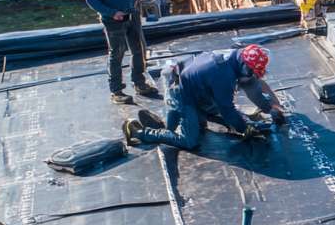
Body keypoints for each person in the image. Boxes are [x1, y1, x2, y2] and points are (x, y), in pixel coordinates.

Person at [123, 44, 287, 151]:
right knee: (189, 140)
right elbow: (227, 109)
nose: (251, 76)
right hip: (181, 93)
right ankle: (139, 131)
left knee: (199, 124)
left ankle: (170, 124)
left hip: (189, 85)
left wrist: (271, 106)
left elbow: (255, 86)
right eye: (251, 72)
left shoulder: (234, 57)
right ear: (245, 66)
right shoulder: (225, 75)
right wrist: (245, 128)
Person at [85, 0, 158, 105]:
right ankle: (116, 91)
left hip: (131, 12)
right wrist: (111, 13)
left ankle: (139, 83)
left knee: (138, 49)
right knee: (117, 53)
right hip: (113, 19)